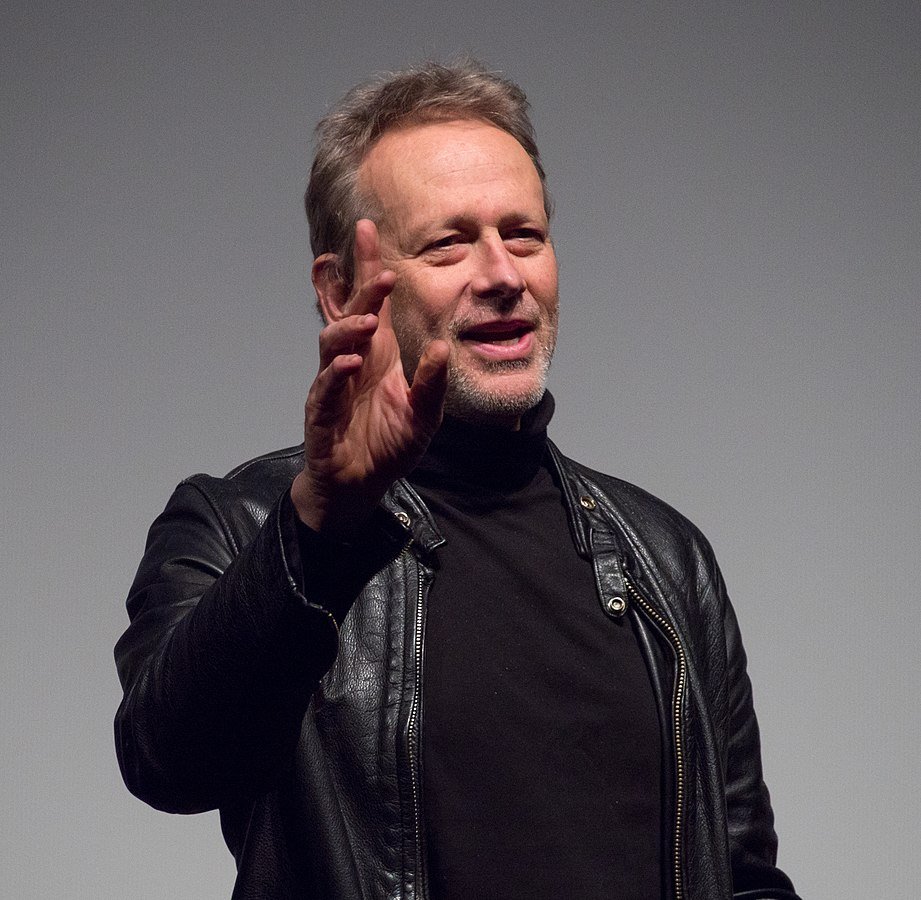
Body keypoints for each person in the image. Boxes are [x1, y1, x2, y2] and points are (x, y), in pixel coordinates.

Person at [114, 60, 801, 899]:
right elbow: (169, 763)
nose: (503, 274)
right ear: (340, 290)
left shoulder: (664, 557)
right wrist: (318, 531)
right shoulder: (241, 523)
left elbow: (741, 877)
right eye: (448, 242)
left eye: (523, 234)